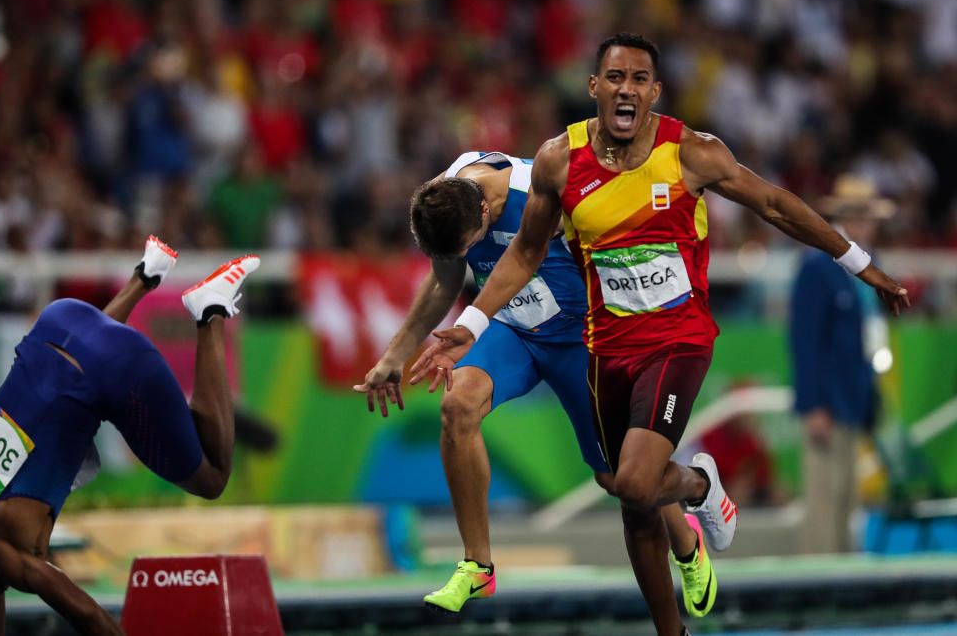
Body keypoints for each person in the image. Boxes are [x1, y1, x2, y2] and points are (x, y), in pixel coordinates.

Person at [412, 32, 910, 636]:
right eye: (615, 77)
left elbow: (776, 206)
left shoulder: (691, 153)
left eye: (640, 78)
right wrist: (469, 325)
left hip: (676, 338)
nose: (627, 88)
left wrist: (860, 263)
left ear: (655, 91)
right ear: (595, 87)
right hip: (607, 345)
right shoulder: (558, 161)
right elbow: (524, 254)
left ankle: (700, 485)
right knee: (627, 495)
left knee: (638, 480)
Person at [354, 151, 714, 620]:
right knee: (457, 405)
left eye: (470, 246)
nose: (465, 257)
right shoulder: (445, 200)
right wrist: (394, 356)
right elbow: (444, 281)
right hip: (511, 331)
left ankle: (686, 540)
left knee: (620, 477)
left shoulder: (550, 193)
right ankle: (477, 563)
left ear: (486, 210)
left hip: (581, 339)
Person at [0, 236, 260, 635]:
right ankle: (145, 275)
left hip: (118, 366)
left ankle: (211, 310)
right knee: (81, 362)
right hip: (61, 322)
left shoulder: (10, 550)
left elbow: (87, 615)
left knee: (213, 476)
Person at [790, 174, 893, 553]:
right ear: (846, 218)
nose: (868, 225)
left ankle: (844, 582)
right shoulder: (818, 266)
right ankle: (818, 584)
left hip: (854, 397)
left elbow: (870, 332)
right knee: (824, 497)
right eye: (861, 216)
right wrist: (814, 403)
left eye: (870, 217)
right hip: (828, 402)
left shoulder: (868, 264)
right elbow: (805, 341)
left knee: (849, 497)